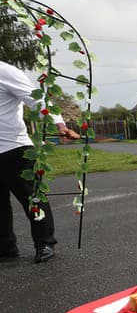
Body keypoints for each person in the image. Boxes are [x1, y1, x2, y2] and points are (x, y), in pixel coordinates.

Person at [1, 60, 80, 263]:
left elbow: (37, 100)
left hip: (15, 149)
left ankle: (44, 243)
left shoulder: (6, 71)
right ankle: (6, 248)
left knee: (31, 197)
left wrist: (60, 124)